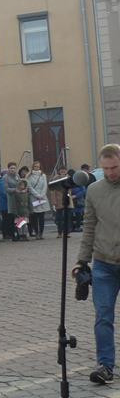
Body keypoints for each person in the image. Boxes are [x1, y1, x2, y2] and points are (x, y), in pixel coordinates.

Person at [74, 144, 120, 384]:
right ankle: (105, 366)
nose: (111, 172)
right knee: (103, 316)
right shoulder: (94, 190)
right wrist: (81, 261)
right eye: (106, 168)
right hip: (103, 263)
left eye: (114, 167)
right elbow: (89, 227)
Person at [27, 161, 50, 239]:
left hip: (42, 197)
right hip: (34, 197)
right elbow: (29, 187)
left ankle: (41, 233)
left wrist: (42, 195)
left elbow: (45, 186)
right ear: (33, 167)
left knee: (41, 217)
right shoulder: (29, 176)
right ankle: (36, 232)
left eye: (38, 166)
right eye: (35, 166)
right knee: (34, 217)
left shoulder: (43, 175)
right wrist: (37, 195)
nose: (37, 168)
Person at [49, 167, 69, 237]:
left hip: (67, 200)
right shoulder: (55, 179)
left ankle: (67, 232)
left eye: (64, 170)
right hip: (58, 201)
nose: (63, 171)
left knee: (67, 218)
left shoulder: (68, 178)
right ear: (59, 171)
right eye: (61, 170)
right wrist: (54, 202)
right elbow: (52, 191)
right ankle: (60, 232)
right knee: (59, 218)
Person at [3, 162, 20, 240]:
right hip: (11, 199)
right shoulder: (5, 177)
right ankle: (13, 234)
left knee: (19, 217)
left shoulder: (17, 176)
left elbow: (20, 184)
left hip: (18, 198)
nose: (13, 169)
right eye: (11, 168)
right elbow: (6, 189)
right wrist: (15, 190)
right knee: (12, 218)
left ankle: (20, 233)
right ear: (8, 169)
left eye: (14, 168)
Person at [12, 177, 32, 241]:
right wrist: (15, 211)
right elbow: (14, 203)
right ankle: (20, 235)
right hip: (19, 211)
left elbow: (29, 202)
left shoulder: (27, 193)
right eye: (20, 185)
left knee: (25, 224)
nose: (22, 186)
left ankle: (24, 235)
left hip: (25, 211)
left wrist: (31, 210)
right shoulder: (16, 194)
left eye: (23, 185)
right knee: (19, 224)